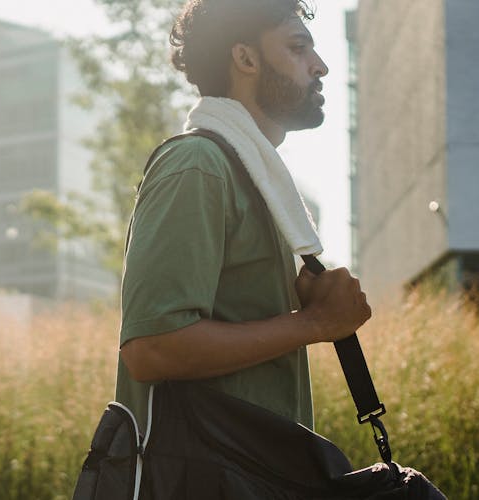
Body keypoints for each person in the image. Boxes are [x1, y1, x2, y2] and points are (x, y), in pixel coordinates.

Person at [114, 0, 372, 489]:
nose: (321, 66)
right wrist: (313, 324)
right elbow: (151, 348)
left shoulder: (257, 183)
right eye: (298, 48)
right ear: (246, 60)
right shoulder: (197, 166)